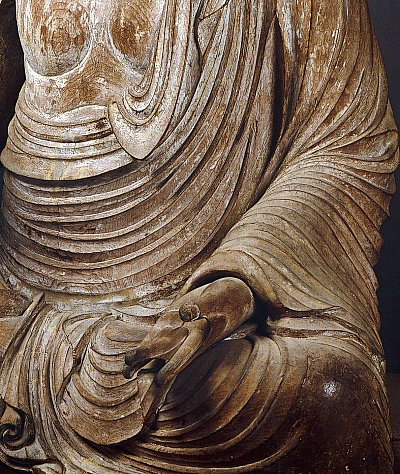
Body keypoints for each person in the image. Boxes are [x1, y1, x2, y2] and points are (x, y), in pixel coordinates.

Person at [0, 0, 397, 472]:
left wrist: (231, 288)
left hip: (207, 316)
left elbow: (345, 150)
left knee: (333, 398)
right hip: (18, 297)